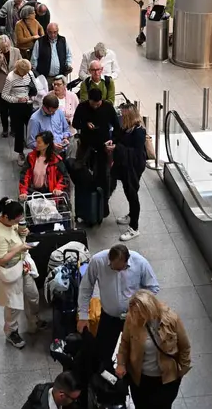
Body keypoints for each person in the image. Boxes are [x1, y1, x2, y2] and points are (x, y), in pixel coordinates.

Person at [78, 244, 161, 371]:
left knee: (137, 351)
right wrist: (83, 315)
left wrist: (140, 304)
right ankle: (104, 379)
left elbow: (153, 287)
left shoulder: (140, 262)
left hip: (134, 318)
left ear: (127, 261)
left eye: (119, 269)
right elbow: (86, 288)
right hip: (109, 316)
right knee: (102, 353)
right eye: (112, 267)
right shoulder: (98, 261)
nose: (115, 271)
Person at [115, 289, 192, 408]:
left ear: (150, 308)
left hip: (166, 379)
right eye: (134, 312)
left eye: (140, 312)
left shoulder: (171, 319)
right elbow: (125, 343)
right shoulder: (132, 319)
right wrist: (121, 363)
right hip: (140, 379)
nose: (136, 315)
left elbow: (184, 346)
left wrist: (183, 369)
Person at [0, 197, 44, 350]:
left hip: (22, 266)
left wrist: (22, 233)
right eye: (16, 220)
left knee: (33, 295)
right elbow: (1, 260)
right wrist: (19, 249)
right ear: (6, 217)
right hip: (10, 272)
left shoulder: (11, 222)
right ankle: (11, 332)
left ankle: (34, 320)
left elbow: (18, 239)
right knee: (13, 306)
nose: (17, 222)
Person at [110, 105, 149, 241]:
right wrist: (113, 142)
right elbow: (119, 139)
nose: (120, 117)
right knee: (128, 190)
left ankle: (134, 227)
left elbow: (135, 153)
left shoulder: (138, 132)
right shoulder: (126, 127)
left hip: (134, 166)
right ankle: (131, 215)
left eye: (123, 115)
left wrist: (117, 147)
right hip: (125, 164)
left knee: (132, 193)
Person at [2, 59, 39, 161]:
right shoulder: (10, 78)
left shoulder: (30, 74)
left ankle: (35, 150)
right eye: (25, 73)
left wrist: (31, 97)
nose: (27, 74)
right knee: (19, 131)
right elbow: (4, 95)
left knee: (32, 127)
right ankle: (20, 152)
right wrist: (17, 99)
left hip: (28, 105)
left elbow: (35, 88)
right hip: (16, 107)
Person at [0, 35, 21, 137]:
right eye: (3, 48)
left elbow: (21, 65)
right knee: (3, 109)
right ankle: (5, 128)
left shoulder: (16, 51)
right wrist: (0, 58)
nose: (6, 49)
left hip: (13, 84)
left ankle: (13, 128)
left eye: (7, 46)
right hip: (2, 86)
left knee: (13, 108)